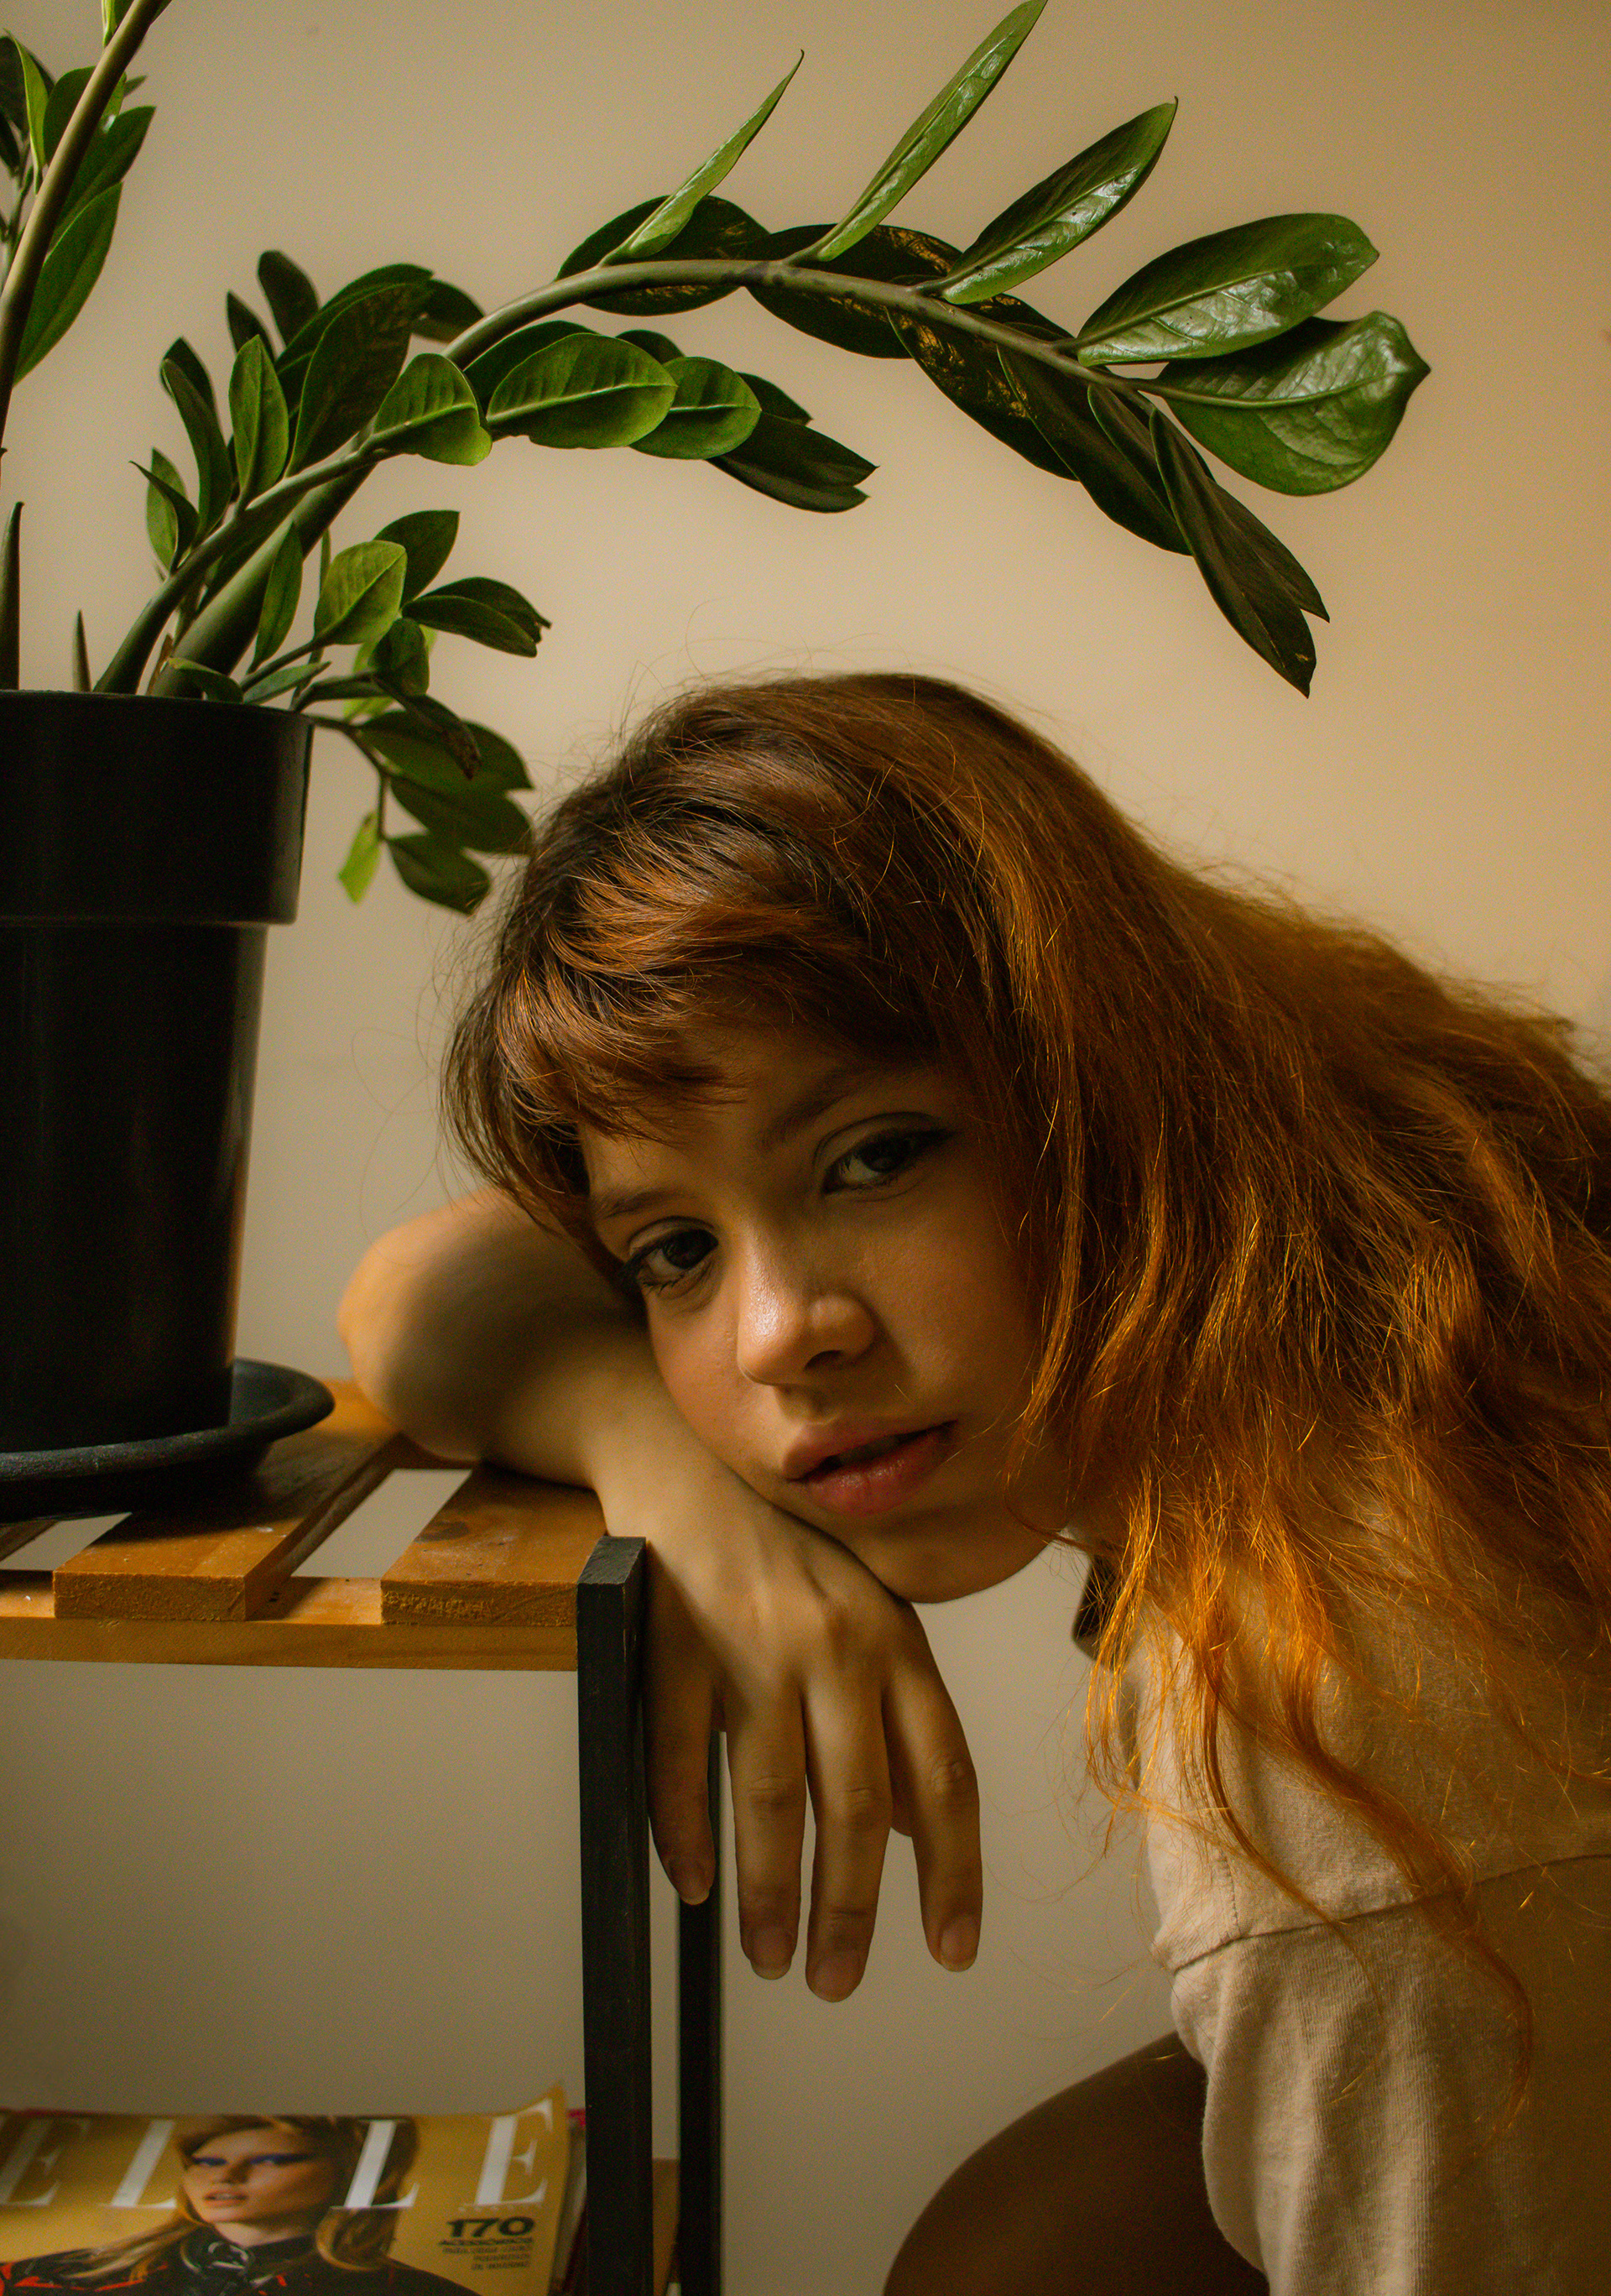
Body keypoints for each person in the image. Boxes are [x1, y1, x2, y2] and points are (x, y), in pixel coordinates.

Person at [338, 672, 1611, 2293]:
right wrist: (660, 1465)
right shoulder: (1372, 1241)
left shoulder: (1341, 1696)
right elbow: (418, 1298)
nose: (782, 1333)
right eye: (674, 1252)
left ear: (1098, 1071)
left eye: (874, 1156)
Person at [0, 2119, 465, 2296]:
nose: (224, 2177)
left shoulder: (421, 2293)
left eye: (268, 2160)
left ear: (351, 2172)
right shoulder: (41, 2278)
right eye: (207, 2162)